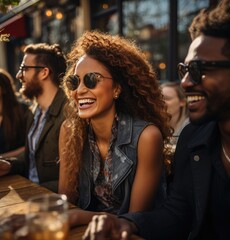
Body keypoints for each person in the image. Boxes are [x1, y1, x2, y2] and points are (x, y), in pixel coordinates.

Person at [82, 1, 230, 239]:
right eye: (185, 70)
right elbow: (178, 212)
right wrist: (128, 224)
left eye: (199, 69)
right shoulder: (194, 137)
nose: (185, 83)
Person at [58, 31, 171, 227]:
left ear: (117, 89)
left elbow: (135, 220)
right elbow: (65, 204)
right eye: (74, 82)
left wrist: (80, 216)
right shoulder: (70, 132)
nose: (80, 90)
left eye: (91, 79)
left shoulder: (146, 137)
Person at [6, 43, 68, 192]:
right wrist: (8, 165)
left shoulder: (68, 112)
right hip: (30, 192)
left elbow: (74, 176)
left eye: (24, 69)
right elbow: (34, 155)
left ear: (44, 72)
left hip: (50, 200)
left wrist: (33, 190)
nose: (19, 75)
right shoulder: (34, 111)